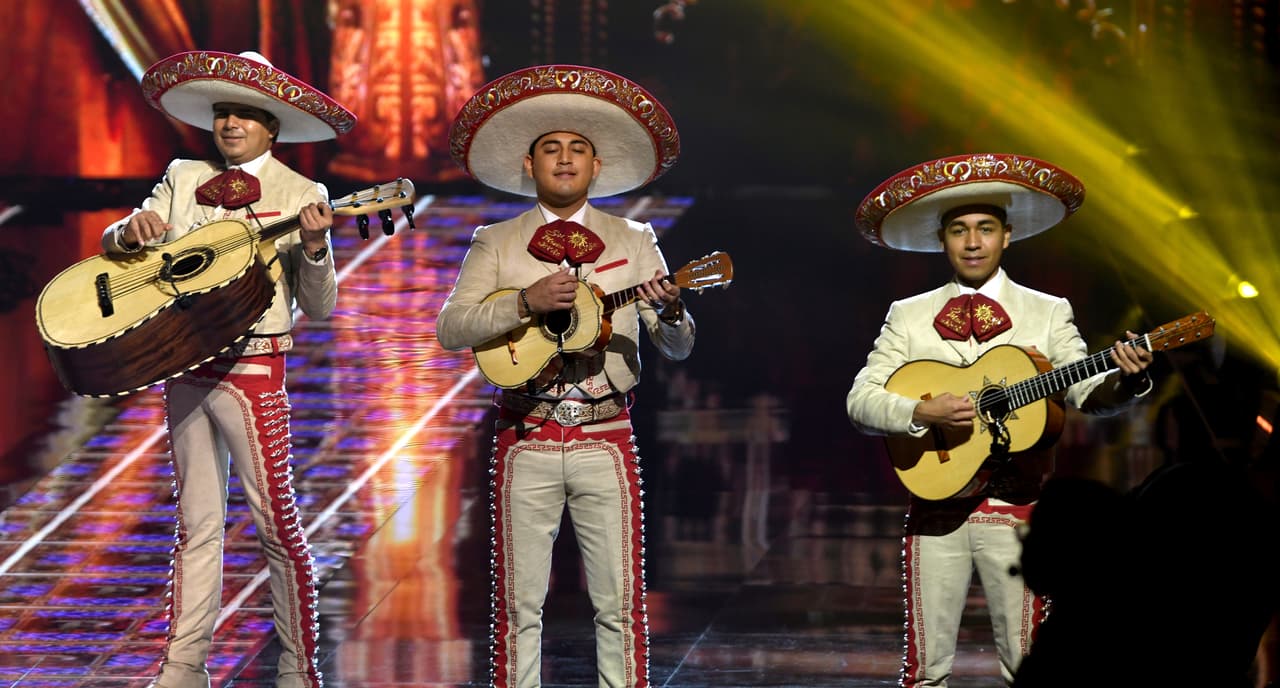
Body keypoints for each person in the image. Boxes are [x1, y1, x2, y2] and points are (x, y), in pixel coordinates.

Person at [844, 153, 1154, 687]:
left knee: (1027, 668)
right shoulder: (908, 313)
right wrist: (919, 410)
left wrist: (1124, 379)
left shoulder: (1048, 310)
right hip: (935, 508)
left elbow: (1086, 391)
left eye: (985, 229)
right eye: (959, 230)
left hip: (1017, 507)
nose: (972, 242)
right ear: (942, 239)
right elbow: (860, 401)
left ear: (1007, 236)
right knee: (925, 672)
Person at [101, 50, 355, 688]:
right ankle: (183, 665)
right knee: (197, 527)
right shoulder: (183, 176)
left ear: (271, 127)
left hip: (253, 367)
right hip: (183, 362)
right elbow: (116, 240)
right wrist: (130, 232)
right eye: (223, 113)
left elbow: (320, 307)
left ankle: (299, 665)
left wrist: (319, 247)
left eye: (245, 113)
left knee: (275, 521)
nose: (232, 124)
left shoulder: (301, 194)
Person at [438, 64, 693, 688]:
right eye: (550, 148)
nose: (564, 159)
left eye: (578, 149)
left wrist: (672, 309)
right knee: (518, 608)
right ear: (529, 165)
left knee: (620, 606)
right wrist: (523, 304)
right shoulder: (496, 240)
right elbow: (452, 328)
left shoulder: (633, 239)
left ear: (597, 167)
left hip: (606, 437)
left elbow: (678, 347)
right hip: (524, 432)